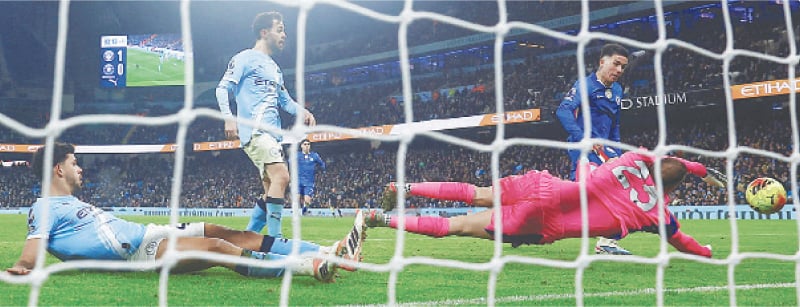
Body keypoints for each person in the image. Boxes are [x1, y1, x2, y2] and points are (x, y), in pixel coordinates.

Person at [6, 143, 366, 280]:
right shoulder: (43, 207)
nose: (79, 168)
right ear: (58, 170)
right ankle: (308, 267)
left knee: (222, 231)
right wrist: (22, 266)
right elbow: (33, 251)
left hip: (150, 233)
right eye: (74, 162)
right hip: (139, 254)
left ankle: (324, 250)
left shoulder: (72, 203)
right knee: (219, 250)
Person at [369, 150, 726, 258]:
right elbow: (683, 242)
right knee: (457, 225)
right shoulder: (656, 214)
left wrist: (700, 170)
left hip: (544, 186)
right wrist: (708, 252)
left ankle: (406, 185)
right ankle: (380, 219)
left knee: (475, 191)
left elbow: (672, 159)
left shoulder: (632, 157)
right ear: (674, 188)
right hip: (543, 222)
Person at [217, 11, 316, 239]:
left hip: (273, 137)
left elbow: (285, 101)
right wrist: (228, 116)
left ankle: (245, 241)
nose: (284, 35)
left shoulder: (274, 69)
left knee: (271, 189)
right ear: (264, 32)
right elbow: (222, 89)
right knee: (282, 177)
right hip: (255, 132)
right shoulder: (244, 58)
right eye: (279, 30)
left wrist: (303, 111)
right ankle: (275, 242)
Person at [555, 43, 630, 255]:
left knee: (625, 188)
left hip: (607, 151)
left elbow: (615, 123)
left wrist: (618, 152)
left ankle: (607, 241)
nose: (619, 71)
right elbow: (563, 111)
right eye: (616, 64)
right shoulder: (585, 85)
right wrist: (584, 139)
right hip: (584, 151)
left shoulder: (617, 91)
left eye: (623, 67)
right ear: (602, 62)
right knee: (580, 198)